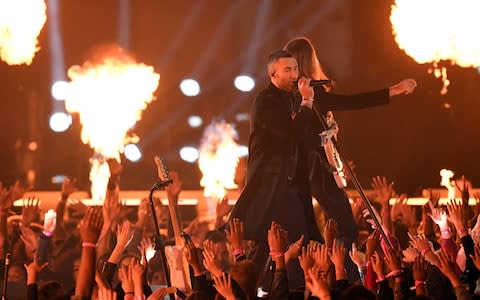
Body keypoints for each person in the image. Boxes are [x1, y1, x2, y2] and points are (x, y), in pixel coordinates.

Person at [284, 36, 417, 280]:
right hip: (317, 168)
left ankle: (322, 277)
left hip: (303, 170)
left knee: (316, 230)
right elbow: (354, 102)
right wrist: (394, 90)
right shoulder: (310, 94)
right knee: (346, 228)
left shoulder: (292, 95)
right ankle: (343, 279)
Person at [229, 50, 322, 288]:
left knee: (277, 244)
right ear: (273, 74)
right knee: (287, 242)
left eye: (295, 69)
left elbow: (302, 136)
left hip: (288, 184)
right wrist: (307, 102)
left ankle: (255, 287)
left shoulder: (290, 99)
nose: (294, 74)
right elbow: (290, 134)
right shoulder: (265, 102)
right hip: (271, 186)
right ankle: (245, 288)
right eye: (287, 70)